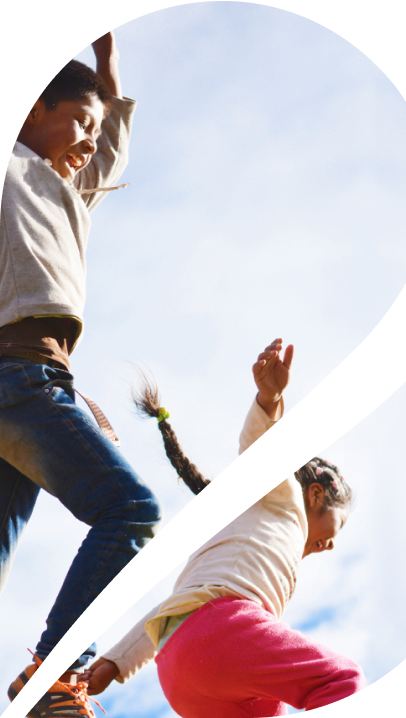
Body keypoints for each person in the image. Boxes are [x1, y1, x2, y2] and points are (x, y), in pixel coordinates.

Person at [1, 32, 161, 718]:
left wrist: (106, 62)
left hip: (37, 381)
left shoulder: (69, 193)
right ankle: (52, 676)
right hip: (19, 381)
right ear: (34, 109)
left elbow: (112, 129)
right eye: (80, 123)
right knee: (130, 509)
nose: (91, 142)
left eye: (98, 131)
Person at [83, 338, 366, 716]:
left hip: (181, 673)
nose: (331, 544)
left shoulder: (229, 538)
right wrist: (269, 402)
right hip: (218, 635)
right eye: (339, 524)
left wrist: (113, 663)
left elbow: (170, 611)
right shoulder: (284, 498)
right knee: (339, 680)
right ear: (315, 494)